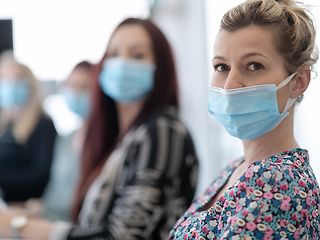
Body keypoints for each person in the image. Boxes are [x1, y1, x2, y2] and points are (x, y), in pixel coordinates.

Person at [0, 18, 199, 240]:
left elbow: (123, 236)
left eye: (137, 55)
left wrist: (19, 226)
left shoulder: (163, 132)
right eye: (113, 55)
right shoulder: (122, 138)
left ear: (160, 68)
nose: (123, 63)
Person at [169, 0, 320, 239]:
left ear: (298, 81)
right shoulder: (235, 169)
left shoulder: (280, 181)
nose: (230, 85)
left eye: (254, 65)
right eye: (221, 67)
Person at [25, 61, 94, 221]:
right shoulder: (66, 137)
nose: (76, 93)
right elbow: (52, 190)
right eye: (72, 85)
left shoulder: (104, 141)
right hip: (46, 215)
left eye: (84, 88)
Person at [0, 51, 57, 203]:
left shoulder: (43, 124)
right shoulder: (5, 125)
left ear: (29, 85)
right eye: (4, 79)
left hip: (26, 205)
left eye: (16, 79)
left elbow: (40, 175)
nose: (9, 85)